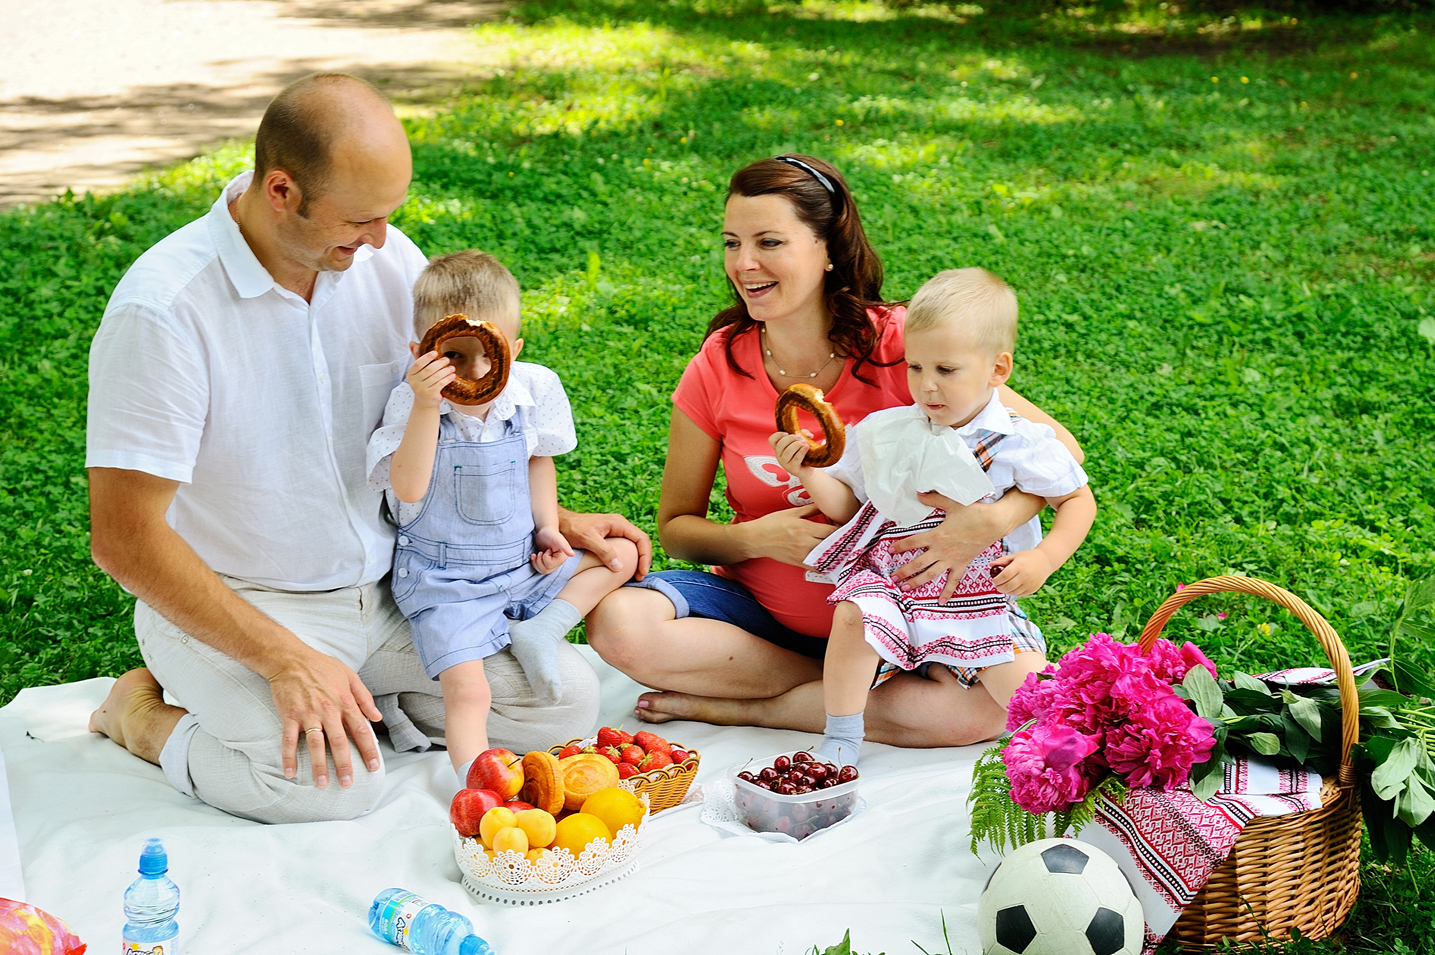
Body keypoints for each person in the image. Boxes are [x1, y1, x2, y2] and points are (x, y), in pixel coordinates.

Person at [84, 73, 649, 824]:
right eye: (361, 219)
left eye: (389, 216)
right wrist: (285, 659)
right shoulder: (164, 311)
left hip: (393, 594)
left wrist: (551, 516)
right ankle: (142, 717)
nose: (381, 240)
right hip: (248, 602)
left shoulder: (381, 260)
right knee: (330, 788)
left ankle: (366, 696)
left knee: (562, 701)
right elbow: (123, 539)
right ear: (281, 190)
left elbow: (447, 421)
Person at [585, 154, 1084, 748]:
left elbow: (1058, 454)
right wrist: (757, 538)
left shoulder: (905, 345)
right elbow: (676, 530)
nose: (744, 264)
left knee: (982, 711)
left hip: (910, 616)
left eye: (769, 242)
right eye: (731, 243)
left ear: (827, 249)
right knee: (620, 624)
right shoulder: (718, 364)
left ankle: (756, 709)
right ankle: (834, 690)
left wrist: (993, 520)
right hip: (762, 625)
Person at [775, 268, 1097, 766]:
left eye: (946, 370)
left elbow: (1078, 499)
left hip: (979, 592)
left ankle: (1069, 753)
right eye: (915, 367)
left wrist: (1045, 558)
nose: (927, 386)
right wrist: (811, 471)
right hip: (897, 583)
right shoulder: (886, 430)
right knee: (854, 615)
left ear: (998, 369)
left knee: (1027, 688)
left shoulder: (1018, 441)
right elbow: (847, 505)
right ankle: (840, 734)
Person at [366, 250, 638, 780]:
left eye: (491, 356)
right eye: (455, 358)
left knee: (621, 553)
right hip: (448, 583)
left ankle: (541, 630)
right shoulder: (414, 405)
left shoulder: (530, 390)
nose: (476, 373)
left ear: (513, 348)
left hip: (519, 563)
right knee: (468, 692)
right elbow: (408, 486)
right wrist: (425, 405)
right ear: (420, 352)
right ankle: (477, 788)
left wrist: (549, 528)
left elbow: (538, 460)